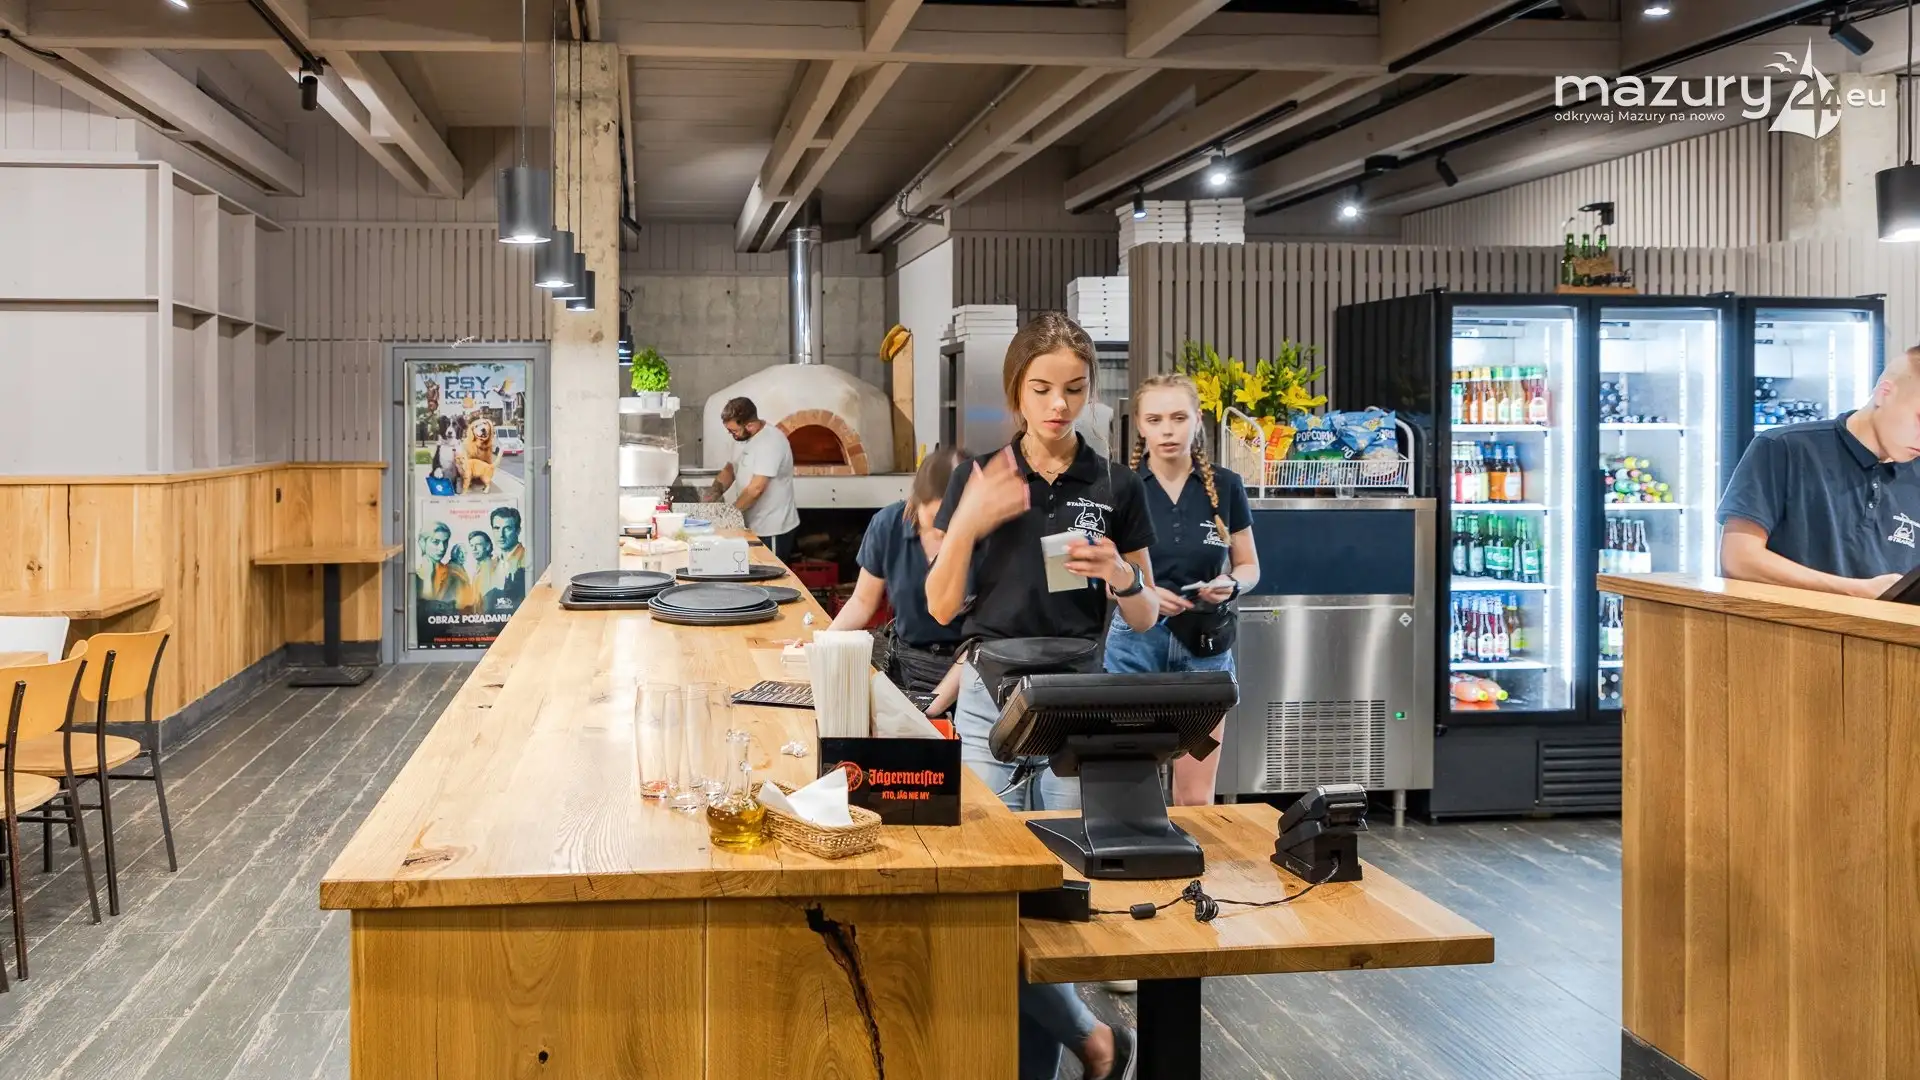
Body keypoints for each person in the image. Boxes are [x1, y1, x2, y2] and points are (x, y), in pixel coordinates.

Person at [927, 311, 1156, 1080]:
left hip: (1075, 703)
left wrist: (1121, 575)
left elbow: (1145, 612)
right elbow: (939, 607)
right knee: (986, 897)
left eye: (1075, 389)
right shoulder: (981, 476)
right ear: (1016, 393)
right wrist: (968, 524)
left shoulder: (1115, 483)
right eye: (1042, 389)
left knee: (1053, 901)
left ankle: (1062, 1059)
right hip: (990, 696)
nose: (1059, 405)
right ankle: (1095, 1041)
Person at [1106, 373, 1260, 807]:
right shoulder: (1118, 488)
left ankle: (1193, 854)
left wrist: (1231, 583)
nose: (1168, 430)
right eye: (1155, 420)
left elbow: (1249, 566)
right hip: (1135, 646)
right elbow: (1104, 579)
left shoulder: (1226, 486)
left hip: (1205, 650)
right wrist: (1143, 595)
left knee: (1195, 797)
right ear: (1140, 425)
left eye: (1178, 418)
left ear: (1197, 420)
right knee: (1127, 790)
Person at [1719, 346, 1920, 597]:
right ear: (1884, 393)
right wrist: (1858, 591)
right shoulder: (1784, 448)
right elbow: (1738, 558)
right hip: (1790, 622)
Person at [829, 446, 970, 717]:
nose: (943, 529)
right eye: (935, 517)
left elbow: (985, 641)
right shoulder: (888, 524)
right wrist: (821, 644)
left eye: (953, 518)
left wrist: (933, 706)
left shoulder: (987, 537)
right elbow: (862, 601)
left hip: (968, 671)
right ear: (917, 499)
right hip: (907, 664)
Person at [705, 396, 800, 558]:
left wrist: (728, 515)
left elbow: (756, 488)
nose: (732, 435)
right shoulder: (741, 438)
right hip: (751, 524)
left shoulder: (771, 442)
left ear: (750, 425)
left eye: (734, 431)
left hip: (771, 529)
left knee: (769, 572)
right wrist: (712, 494)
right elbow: (730, 469)